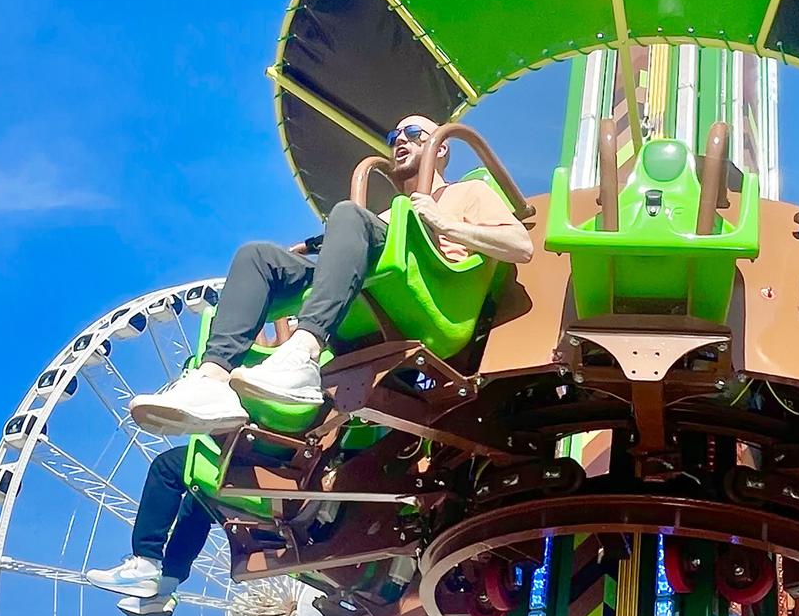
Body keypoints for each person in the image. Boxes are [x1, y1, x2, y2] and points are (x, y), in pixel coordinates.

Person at [128, 114, 535, 436]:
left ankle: (303, 354)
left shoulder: (467, 193)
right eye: (394, 137)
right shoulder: (384, 216)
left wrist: (445, 224)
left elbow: (521, 246)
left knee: (348, 213)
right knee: (257, 256)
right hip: (371, 279)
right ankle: (212, 378)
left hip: (435, 289)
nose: (401, 141)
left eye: (414, 134)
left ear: (441, 148)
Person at [85, 444, 212, 616]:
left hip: (245, 463)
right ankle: (165, 587)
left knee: (167, 466)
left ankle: (146, 563)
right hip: (248, 482)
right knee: (201, 498)